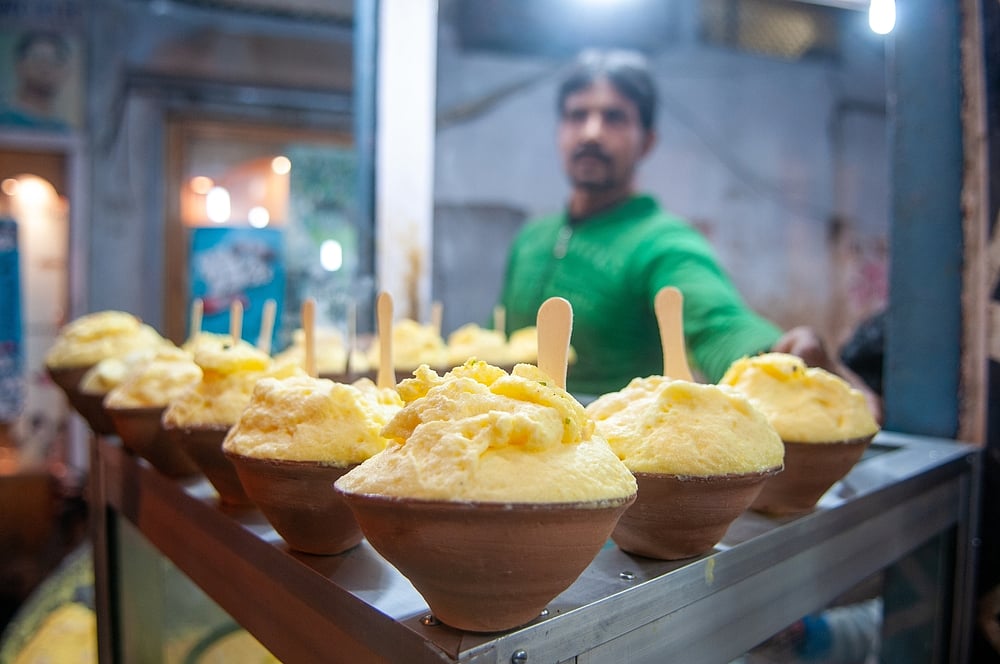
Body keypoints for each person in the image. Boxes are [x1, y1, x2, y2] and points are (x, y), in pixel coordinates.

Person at [498, 49, 881, 419]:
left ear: (647, 141)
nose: (592, 132)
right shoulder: (532, 238)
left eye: (614, 117)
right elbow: (499, 337)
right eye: (577, 115)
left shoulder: (662, 243)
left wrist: (778, 357)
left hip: (612, 450)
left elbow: (718, 325)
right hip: (520, 444)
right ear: (559, 131)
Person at [0, 31, 72, 131]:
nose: (46, 67)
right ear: (20, 65)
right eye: (39, 58)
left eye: (56, 60)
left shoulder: (64, 131)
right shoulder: (4, 121)